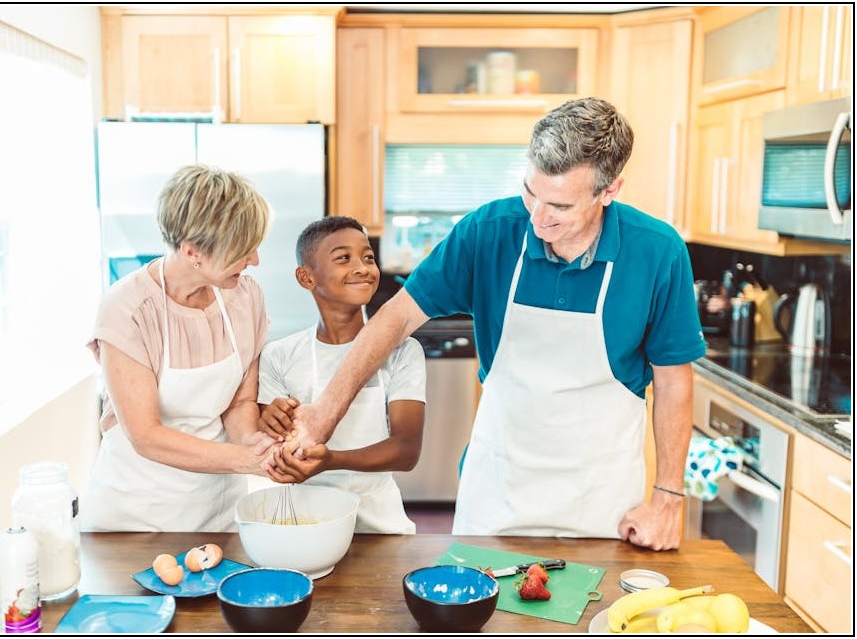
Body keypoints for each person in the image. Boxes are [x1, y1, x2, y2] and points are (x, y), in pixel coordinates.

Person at [289, 97, 706, 550]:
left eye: (560, 206)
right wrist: (323, 412)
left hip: (600, 497)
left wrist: (668, 498)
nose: (538, 218)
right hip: (498, 487)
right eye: (531, 192)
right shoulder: (488, 231)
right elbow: (397, 316)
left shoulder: (658, 252)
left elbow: (672, 381)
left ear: (609, 191)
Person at [81, 165, 277, 532]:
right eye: (243, 250)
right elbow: (146, 435)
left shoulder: (245, 297)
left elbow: (239, 403)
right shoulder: (128, 309)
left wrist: (257, 446)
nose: (255, 261)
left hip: (217, 514)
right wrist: (243, 458)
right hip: (136, 518)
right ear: (192, 252)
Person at [256, 216, 425, 534]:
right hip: (302, 524)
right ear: (306, 278)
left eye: (368, 257)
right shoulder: (279, 355)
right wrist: (269, 421)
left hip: (380, 526)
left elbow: (406, 451)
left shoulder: (403, 351)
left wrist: (332, 459)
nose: (363, 267)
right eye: (343, 258)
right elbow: (272, 446)